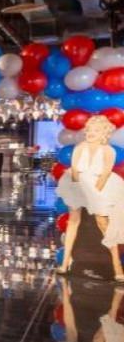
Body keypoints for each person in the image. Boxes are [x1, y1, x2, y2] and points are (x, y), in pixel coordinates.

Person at [56, 115, 124, 280]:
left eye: (96, 130)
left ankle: (117, 265)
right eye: (89, 129)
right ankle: (65, 263)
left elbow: (105, 174)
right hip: (78, 186)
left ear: (104, 133)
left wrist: (93, 194)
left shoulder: (109, 150)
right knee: (73, 221)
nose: (91, 133)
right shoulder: (80, 147)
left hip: (99, 188)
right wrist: (79, 191)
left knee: (103, 224)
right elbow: (74, 171)